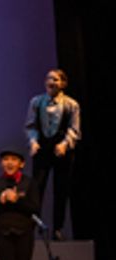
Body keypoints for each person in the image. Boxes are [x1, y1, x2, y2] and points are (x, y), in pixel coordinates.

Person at [25, 69, 80, 240]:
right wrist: (33, 142)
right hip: (42, 148)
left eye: (55, 79)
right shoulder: (36, 102)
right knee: (37, 188)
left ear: (63, 84)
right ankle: (34, 226)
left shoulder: (71, 104)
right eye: (48, 78)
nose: (51, 82)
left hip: (61, 149)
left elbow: (74, 130)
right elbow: (31, 125)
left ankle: (58, 227)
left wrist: (65, 144)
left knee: (60, 189)